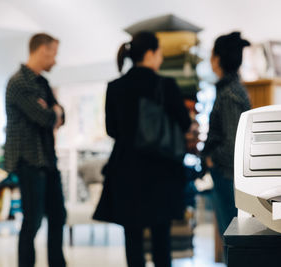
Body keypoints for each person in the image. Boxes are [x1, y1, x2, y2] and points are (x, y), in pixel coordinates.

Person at [93, 31, 191, 267]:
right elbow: (184, 123)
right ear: (150, 53)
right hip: (161, 170)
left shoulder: (115, 87)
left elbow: (112, 129)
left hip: (126, 169)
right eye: (159, 53)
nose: (161, 58)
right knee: (161, 238)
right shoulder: (166, 85)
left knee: (132, 236)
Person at [5, 33, 66, 267]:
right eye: (54, 54)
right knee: (33, 221)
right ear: (42, 50)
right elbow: (45, 116)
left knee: (58, 216)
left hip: (48, 161)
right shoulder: (19, 82)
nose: (55, 60)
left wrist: (56, 111)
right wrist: (54, 111)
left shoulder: (42, 83)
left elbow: (60, 114)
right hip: (29, 161)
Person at [202, 31, 251, 257]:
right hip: (229, 177)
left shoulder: (229, 93)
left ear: (218, 59)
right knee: (233, 240)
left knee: (232, 242)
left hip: (228, 177)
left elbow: (233, 146)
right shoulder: (232, 89)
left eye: (212, 55)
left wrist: (211, 157)